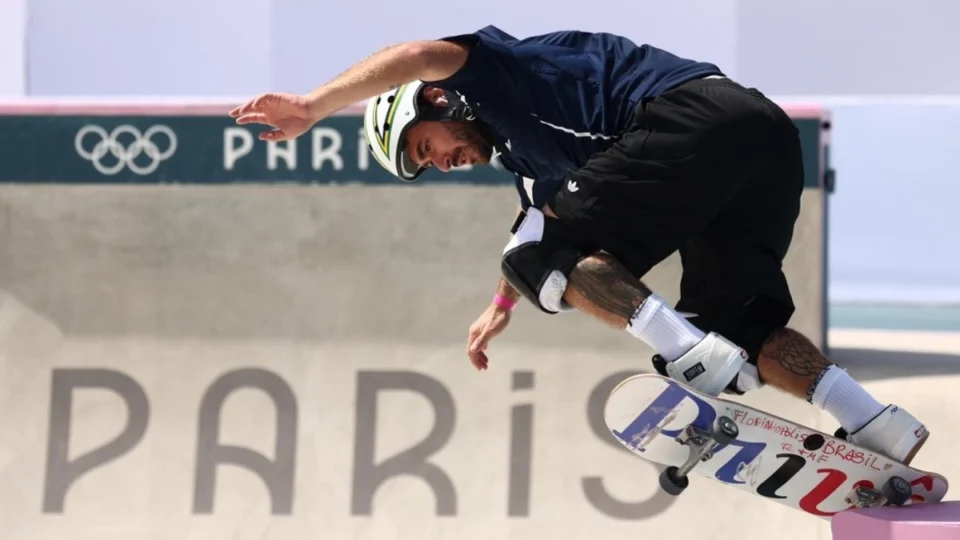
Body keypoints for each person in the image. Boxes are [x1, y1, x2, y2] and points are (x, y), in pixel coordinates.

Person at [229, 25, 929, 465]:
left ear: (434, 104)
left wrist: (314, 107)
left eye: (423, 147)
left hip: (689, 118)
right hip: (762, 138)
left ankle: (693, 356)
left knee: (545, 258)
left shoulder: (487, 76)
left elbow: (414, 53)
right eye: (423, 166)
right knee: (743, 323)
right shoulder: (529, 161)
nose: (438, 162)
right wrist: (503, 302)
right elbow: (536, 233)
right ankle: (874, 424)